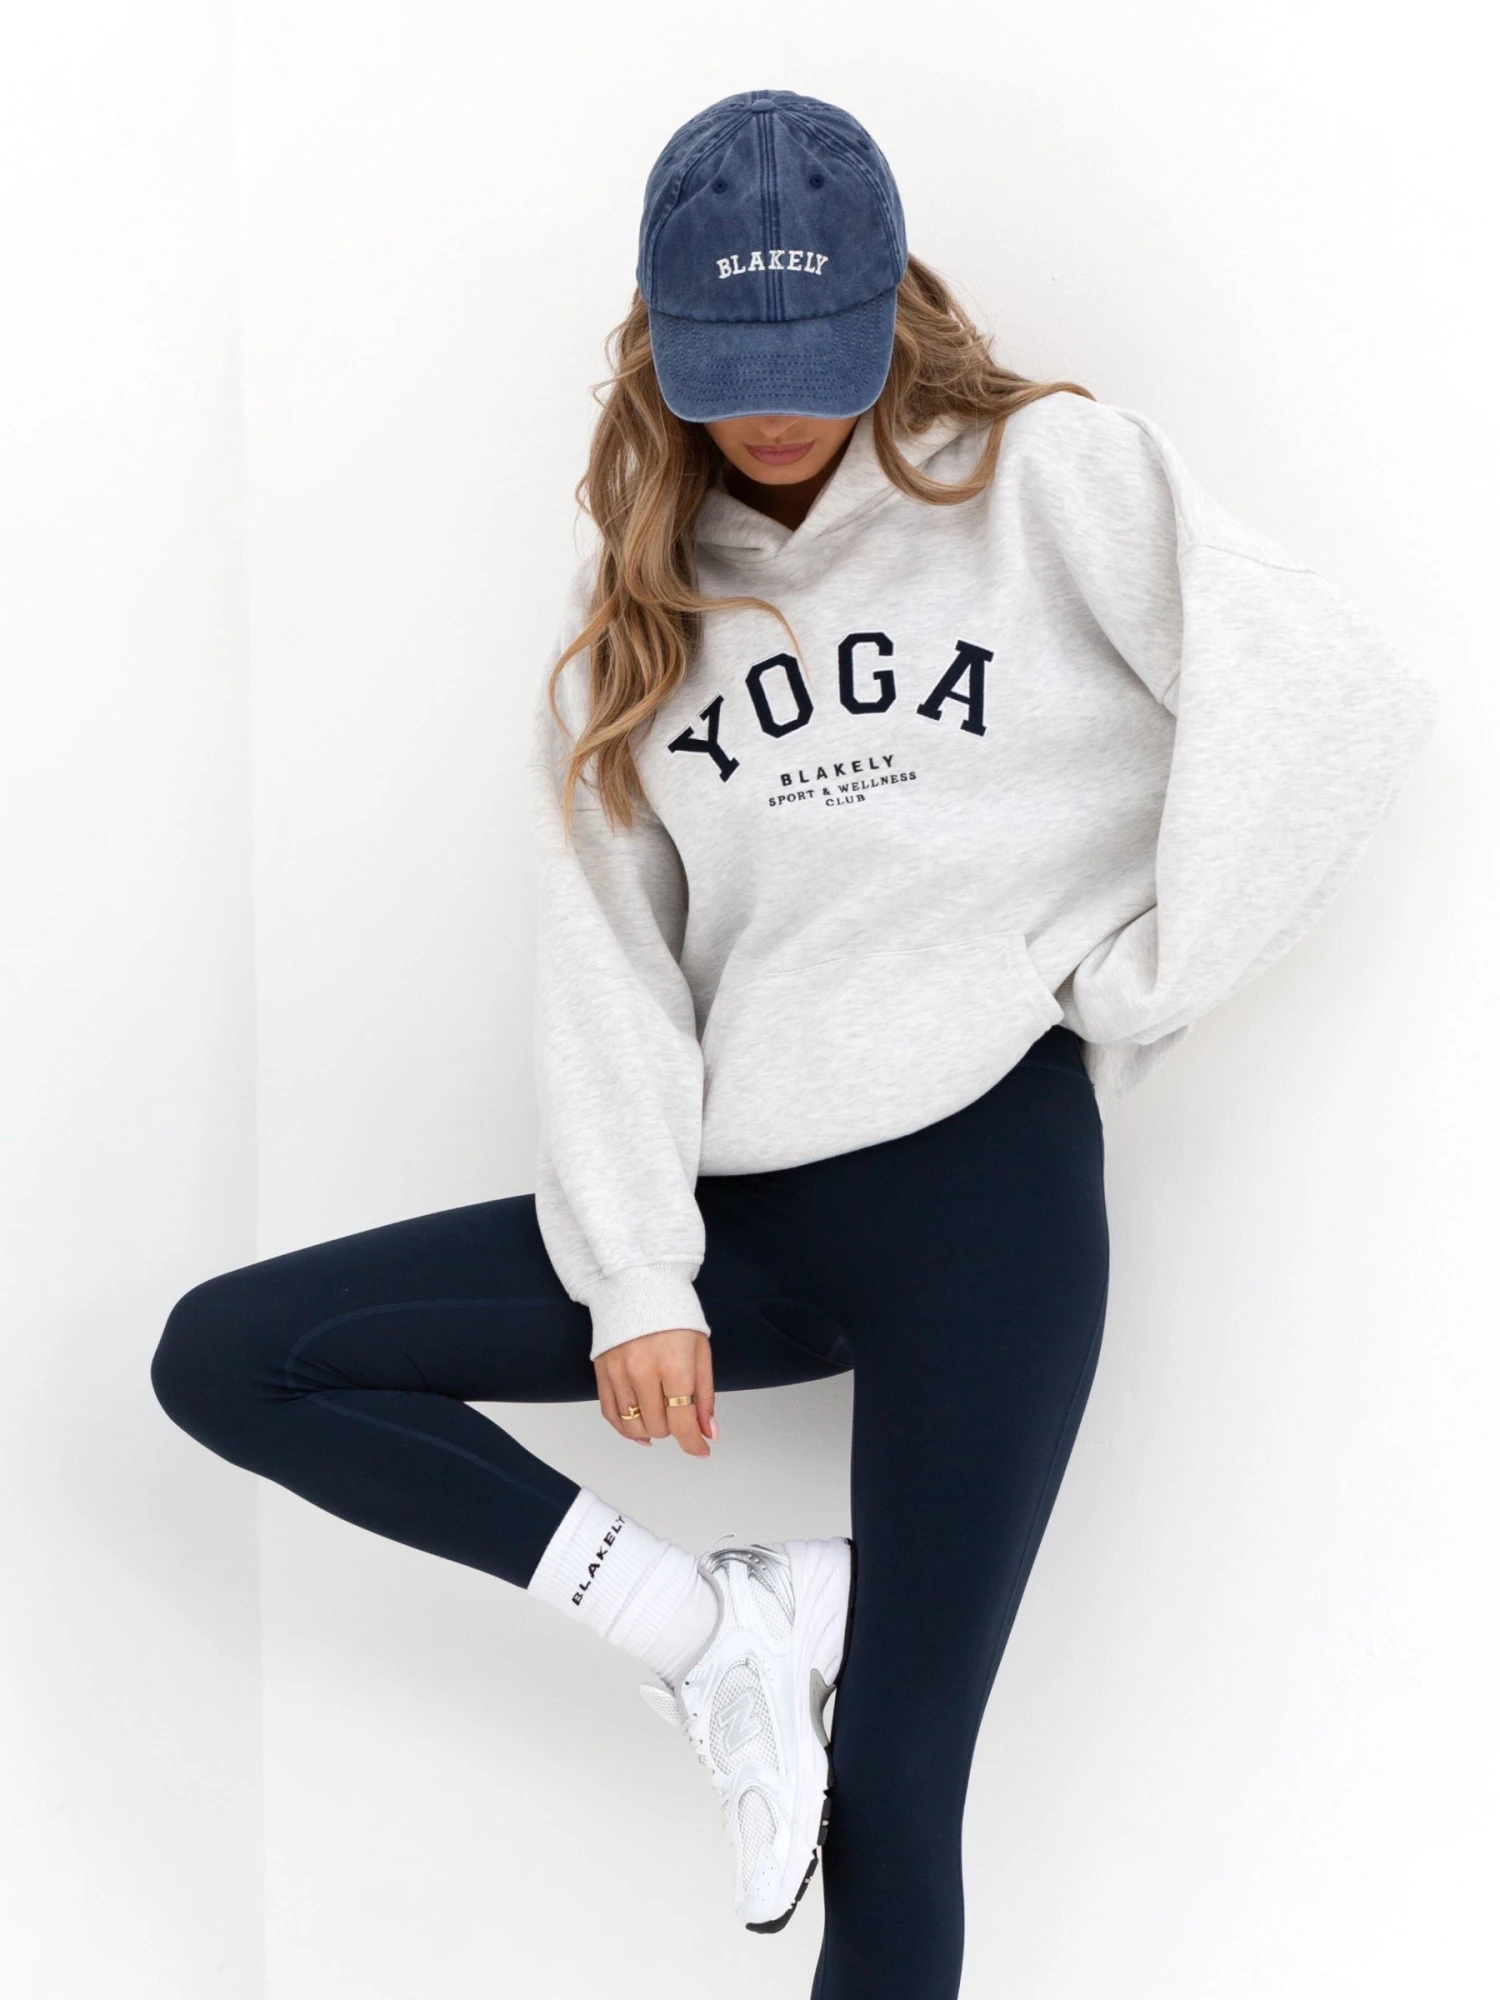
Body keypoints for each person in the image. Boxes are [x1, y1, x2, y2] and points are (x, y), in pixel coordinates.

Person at [150, 87, 1438, 2000]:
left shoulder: (1045, 478)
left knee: (896, 1799)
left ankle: (770, 1657)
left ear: (888, 304)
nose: (774, 415)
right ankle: (709, 1636)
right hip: (744, 1210)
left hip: (984, 1200)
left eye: (813, 364)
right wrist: (638, 1277)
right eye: (731, 373)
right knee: (235, 1354)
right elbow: (609, 963)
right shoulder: (635, 604)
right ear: (660, 337)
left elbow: (1336, 701)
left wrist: (1131, 983)